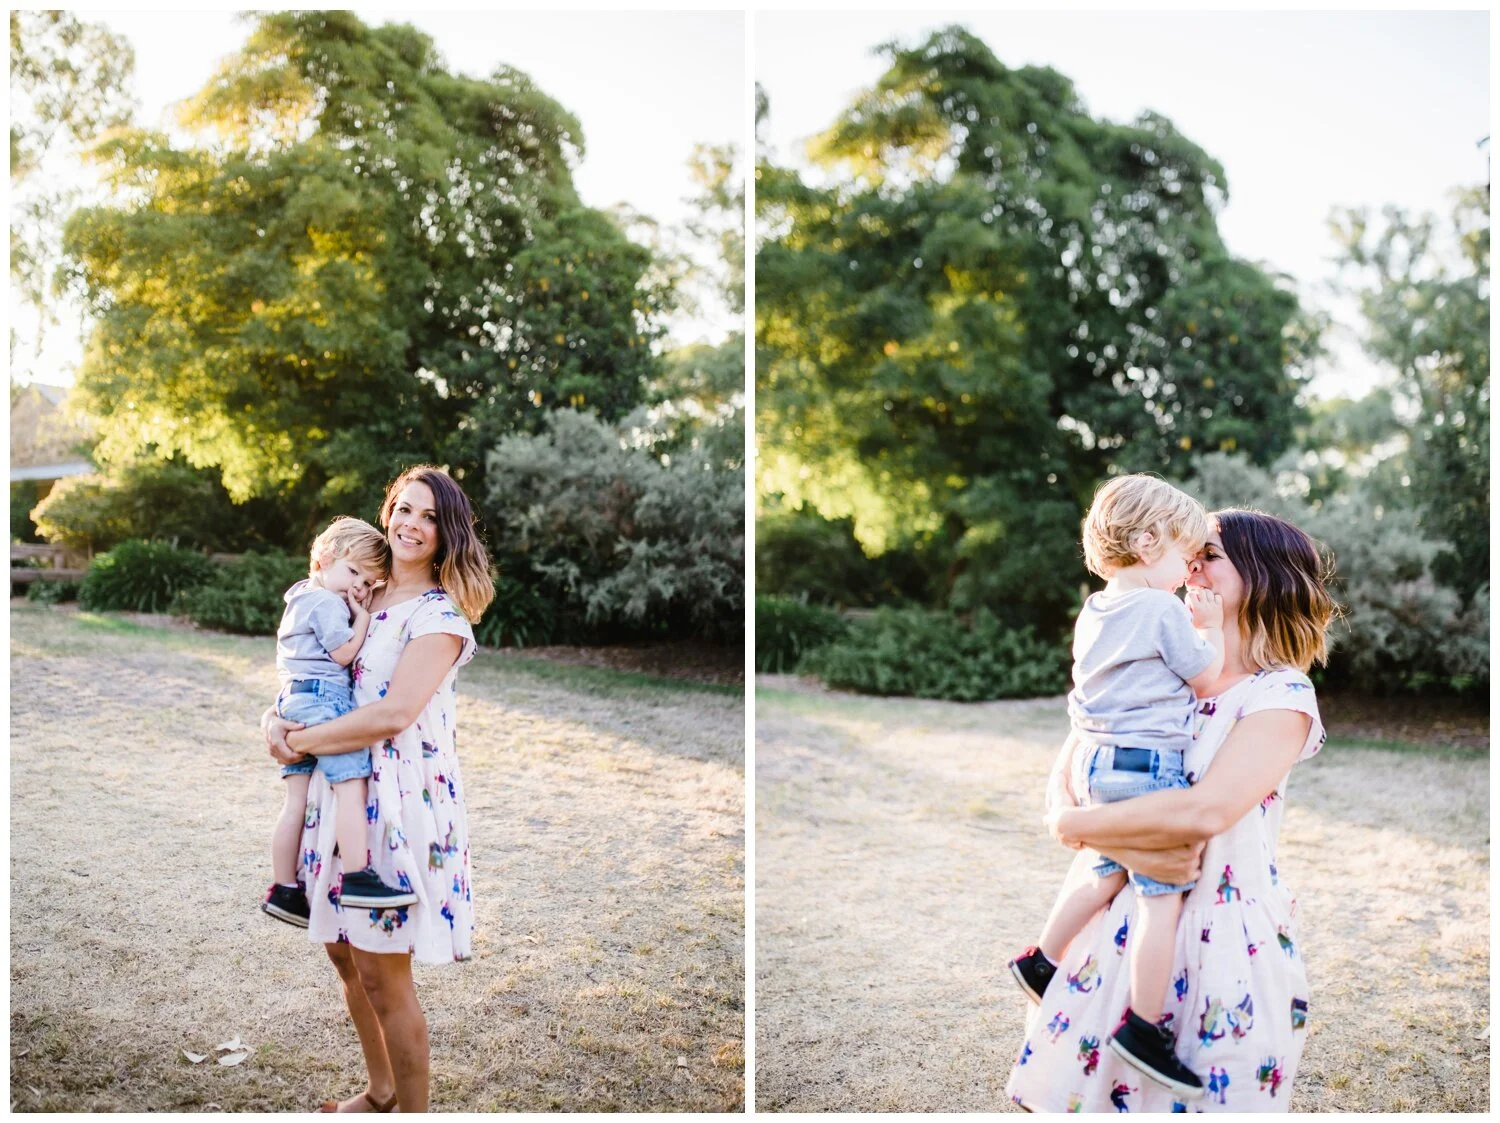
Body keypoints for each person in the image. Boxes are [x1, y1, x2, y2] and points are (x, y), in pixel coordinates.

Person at [1005, 508, 1336, 1113]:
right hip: (1111, 924)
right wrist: (1063, 811)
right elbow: (1073, 761)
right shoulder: (1161, 661)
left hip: (1219, 935)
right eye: (1190, 553)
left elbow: (1204, 812)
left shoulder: (1281, 694)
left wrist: (1073, 826)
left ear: (1262, 575)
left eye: (1209, 555)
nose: (1190, 566)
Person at [262, 466, 495, 1113]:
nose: (411, 525)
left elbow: (394, 714)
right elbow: (306, 668)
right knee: (344, 955)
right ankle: (380, 1091)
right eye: (404, 508)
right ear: (387, 512)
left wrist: (304, 740)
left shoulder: (439, 617)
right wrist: (274, 720)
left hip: (395, 803)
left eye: (429, 516)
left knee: (384, 973)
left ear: (447, 534)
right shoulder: (360, 588)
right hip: (340, 794)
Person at [1008, 475, 1225, 1097]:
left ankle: (1042, 959)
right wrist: (1209, 626)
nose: (1190, 571)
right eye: (1185, 555)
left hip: (1097, 764)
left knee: (1106, 870)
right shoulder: (1162, 609)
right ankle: (1144, 1027)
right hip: (1146, 764)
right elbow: (1206, 677)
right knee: (1162, 897)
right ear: (1149, 542)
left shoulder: (1096, 609)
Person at [264, 517, 416, 927]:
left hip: (293, 699)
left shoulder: (299, 596)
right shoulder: (328, 603)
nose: (358, 590)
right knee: (351, 784)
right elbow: (344, 654)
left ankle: (284, 888)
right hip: (322, 698)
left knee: (295, 802)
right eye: (353, 573)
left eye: (367, 583)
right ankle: (358, 877)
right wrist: (362, 619)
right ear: (323, 559)